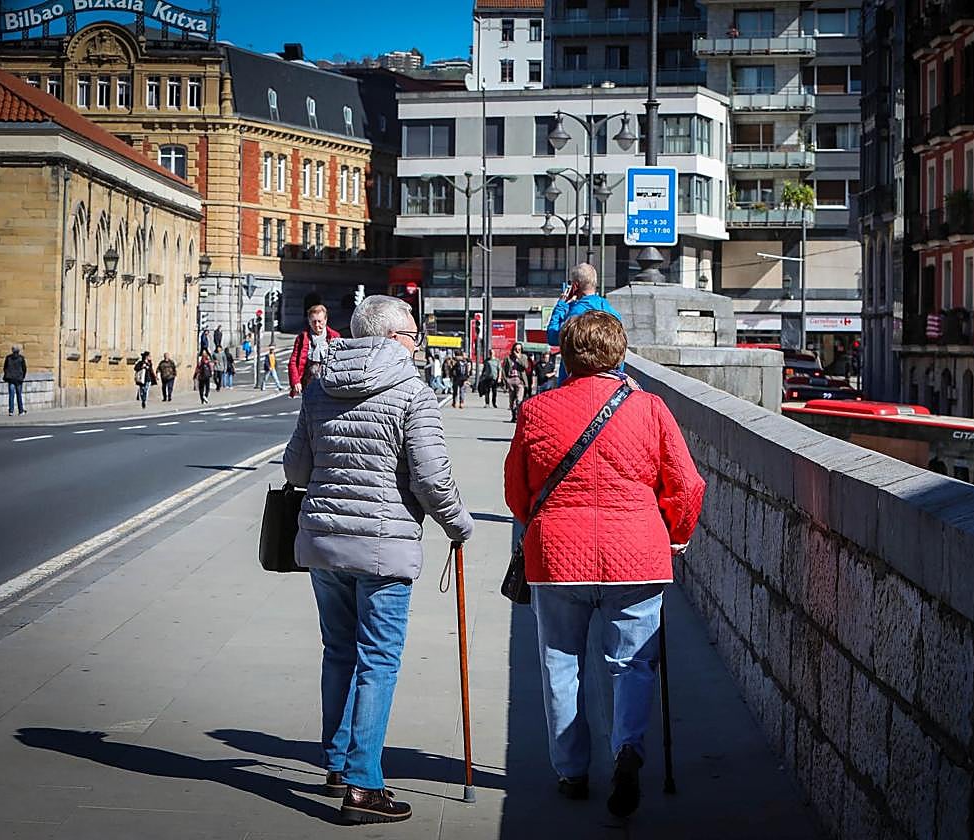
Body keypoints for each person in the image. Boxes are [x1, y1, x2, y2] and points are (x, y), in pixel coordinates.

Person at [503, 311, 705, 818]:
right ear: (619, 355)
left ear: (566, 356)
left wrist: (544, 522)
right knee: (633, 662)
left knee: (560, 662)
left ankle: (571, 771)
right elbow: (686, 484)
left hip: (557, 556)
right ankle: (628, 751)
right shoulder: (651, 408)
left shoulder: (535, 410)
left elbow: (516, 489)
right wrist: (676, 536)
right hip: (636, 553)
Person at [284, 295, 473, 825]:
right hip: (384, 546)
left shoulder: (319, 385)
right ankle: (365, 784)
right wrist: (458, 524)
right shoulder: (414, 392)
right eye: (412, 333)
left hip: (323, 541)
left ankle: (338, 762)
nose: (418, 342)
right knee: (378, 660)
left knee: (338, 651)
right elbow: (432, 479)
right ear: (391, 338)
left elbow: (295, 468)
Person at [546, 263, 622, 385]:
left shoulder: (575, 314)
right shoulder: (613, 313)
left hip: (576, 383)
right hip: (609, 382)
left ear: (575, 286)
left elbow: (553, 337)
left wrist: (561, 306)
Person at [289, 303, 342, 398]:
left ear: (325, 320)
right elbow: (293, 362)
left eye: (320, 321)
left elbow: (340, 361)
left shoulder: (335, 337)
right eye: (313, 322)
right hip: (309, 385)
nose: (317, 325)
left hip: (329, 385)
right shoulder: (302, 338)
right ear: (309, 321)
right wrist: (296, 381)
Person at [502, 342, 533, 422]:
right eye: (516, 349)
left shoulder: (523, 357)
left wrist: (518, 358)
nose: (517, 351)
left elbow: (525, 366)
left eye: (519, 349)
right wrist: (506, 380)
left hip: (520, 380)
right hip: (511, 380)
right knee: (512, 400)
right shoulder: (508, 358)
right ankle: (513, 416)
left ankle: (517, 416)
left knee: (519, 400)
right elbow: (504, 370)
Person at [2, 344, 27, 416]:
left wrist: (7, 375)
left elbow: (5, 367)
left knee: (11, 395)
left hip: (11, 379)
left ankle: (11, 411)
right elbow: (24, 369)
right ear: (18, 351)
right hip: (19, 379)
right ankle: (21, 411)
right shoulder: (21, 358)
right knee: (19, 395)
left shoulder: (8, 358)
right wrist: (22, 377)